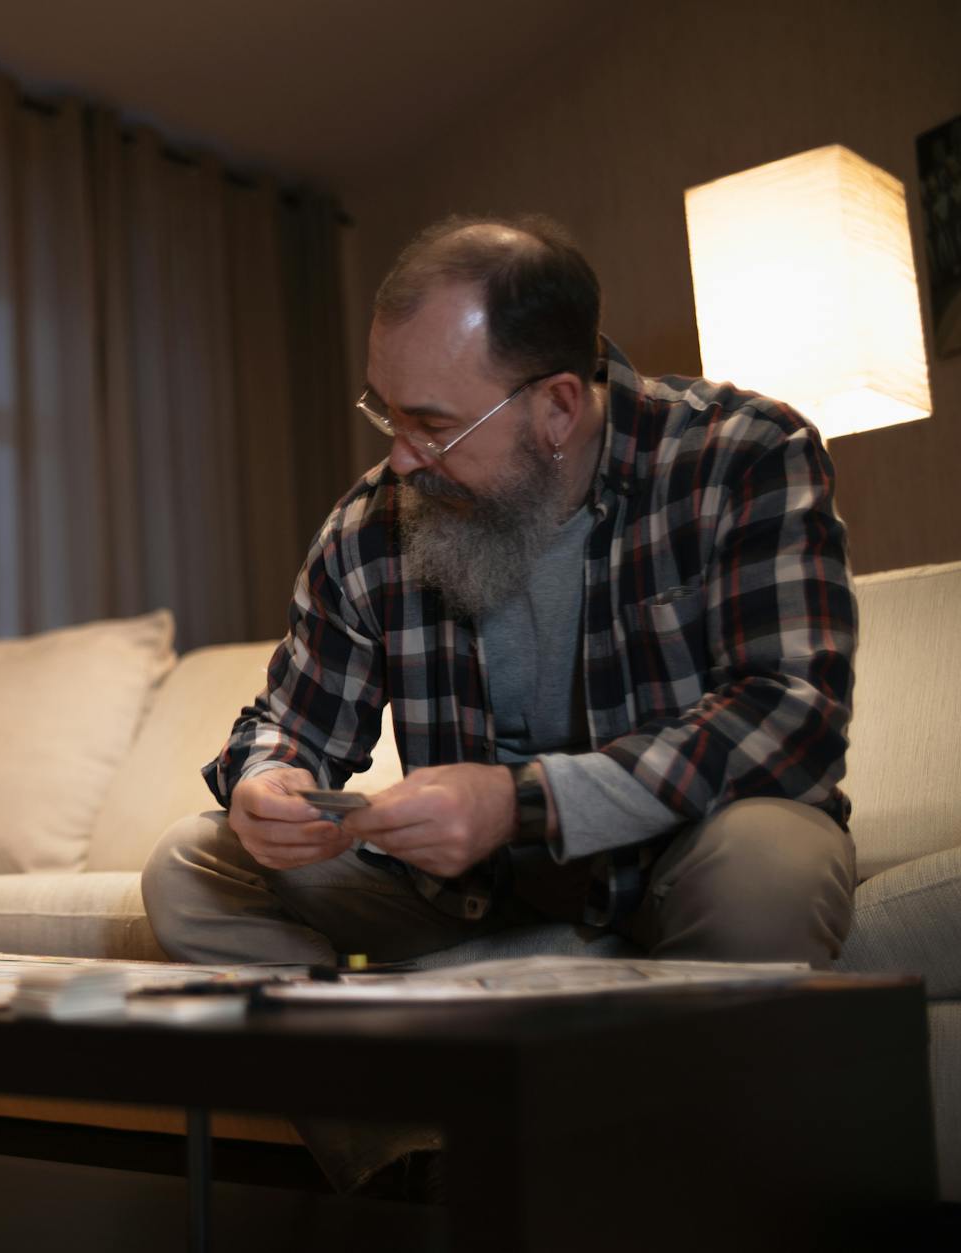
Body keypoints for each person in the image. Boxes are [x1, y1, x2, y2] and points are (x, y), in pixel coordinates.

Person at [143, 212, 859, 1009]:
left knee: (772, 863)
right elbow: (287, 724)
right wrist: (266, 780)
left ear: (556, 406)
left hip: (671, 861)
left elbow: (788, 717)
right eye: (387, 412)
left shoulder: (742, 456)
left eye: (433, 425)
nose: (400, 456)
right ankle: (411, 1131)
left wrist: (517, 800)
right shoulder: (372, 524)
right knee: (190, 869)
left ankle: (653, 1130)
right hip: (456, 890)